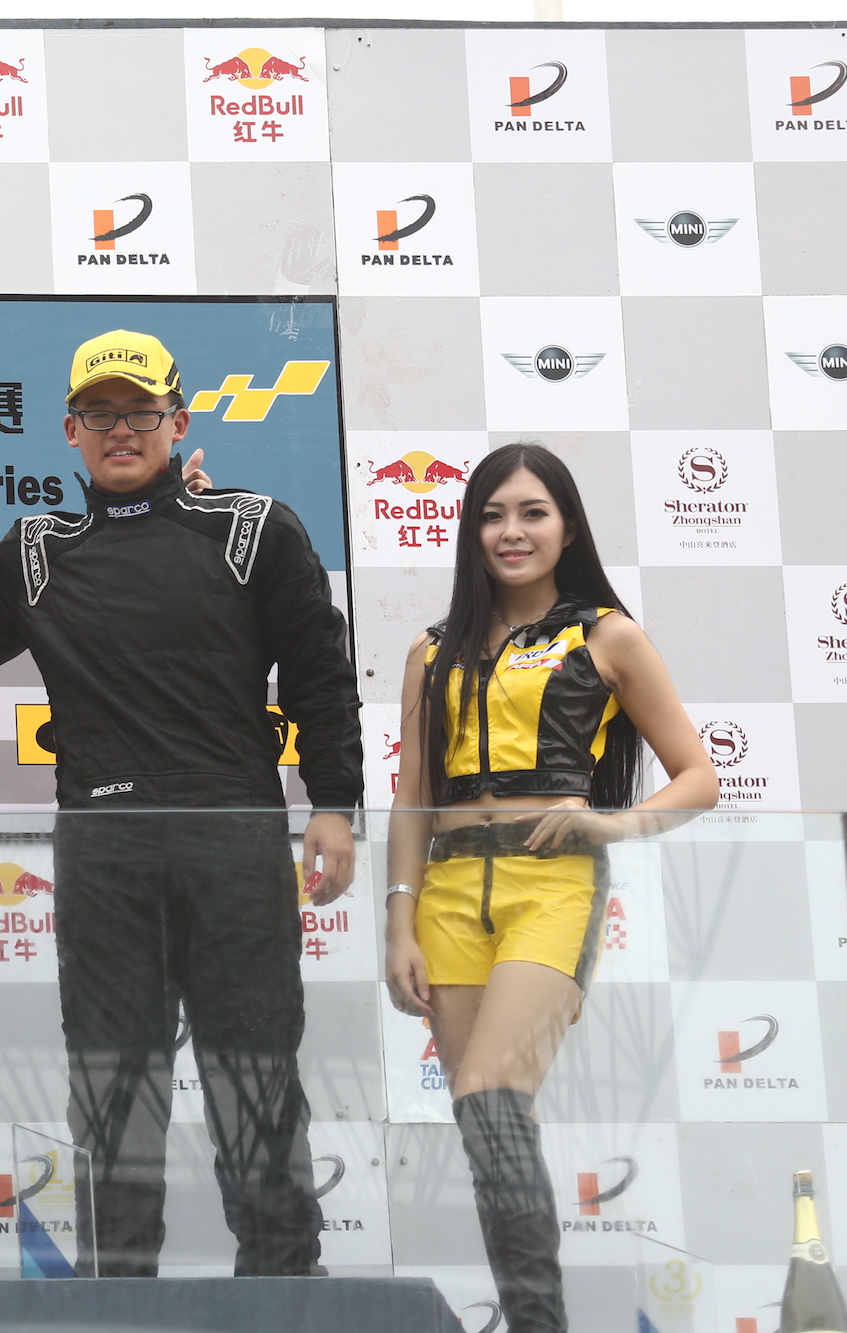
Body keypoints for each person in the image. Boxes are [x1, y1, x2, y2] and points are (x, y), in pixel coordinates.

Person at [0, 330, 363, 1278]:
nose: (121, 429)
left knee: (254, 1077)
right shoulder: (36, 551)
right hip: (105, 849)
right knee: (111, 1088)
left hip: (234, 839)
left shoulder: (253, 526)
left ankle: (283, 1291)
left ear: (177, 422)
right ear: (69, 430)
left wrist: (336, 802)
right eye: (99, 413)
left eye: (141, 411)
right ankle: (119, 1301)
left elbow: (319, 672)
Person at [384, 442, 714, 1333]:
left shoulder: (606, 634)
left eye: (533, 512)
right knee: (489, 1119)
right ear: (470, 531)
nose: (512, 531)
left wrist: (611, 823)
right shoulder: (429, 650)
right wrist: (398, 923)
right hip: (449, 892)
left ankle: (537, 1324)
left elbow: (698, 777)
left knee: (490, 1093)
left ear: (567, 527)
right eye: (492, 515)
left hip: (552, 885)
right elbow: (412, 797)